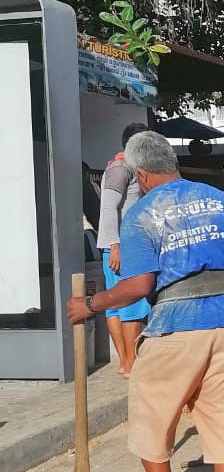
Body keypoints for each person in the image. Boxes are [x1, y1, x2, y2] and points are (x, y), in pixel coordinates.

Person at [66, 131, 224, 472]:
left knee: (151, 417)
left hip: (174, 330)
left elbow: (139, 286)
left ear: (141, 174)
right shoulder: (220, 200)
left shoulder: (142, 215)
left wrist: (91, 304)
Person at [95, 122, 150, 376]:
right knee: (129, 303)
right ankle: (130, 363)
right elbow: (108, 208)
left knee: (116, 304)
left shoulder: (126, 167)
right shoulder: (121, 168)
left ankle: (126, 362)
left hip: (117, 246)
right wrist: (116, 245)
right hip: (121, 247)